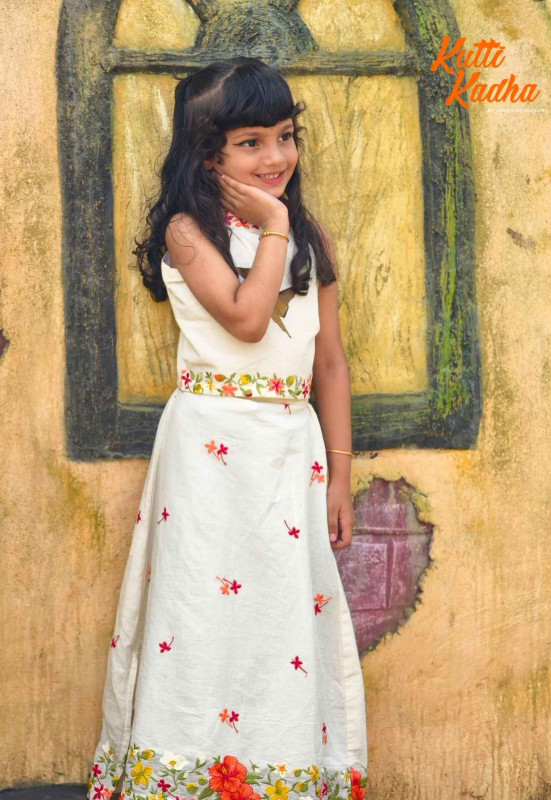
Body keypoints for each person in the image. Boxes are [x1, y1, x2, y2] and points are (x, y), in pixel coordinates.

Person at [86, 56, 368, 800]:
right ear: (207, 152)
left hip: (289, 451)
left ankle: (279, 769)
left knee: (280, 615)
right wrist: (275, 225)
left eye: (285, 136)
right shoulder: (188, 232)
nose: (276, 157)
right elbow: (246, 320)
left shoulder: (306, 236)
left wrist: (340, 475)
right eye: (251, 142)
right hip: (209, 458)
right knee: (200, 612)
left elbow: (329, 362)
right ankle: (185, 775)